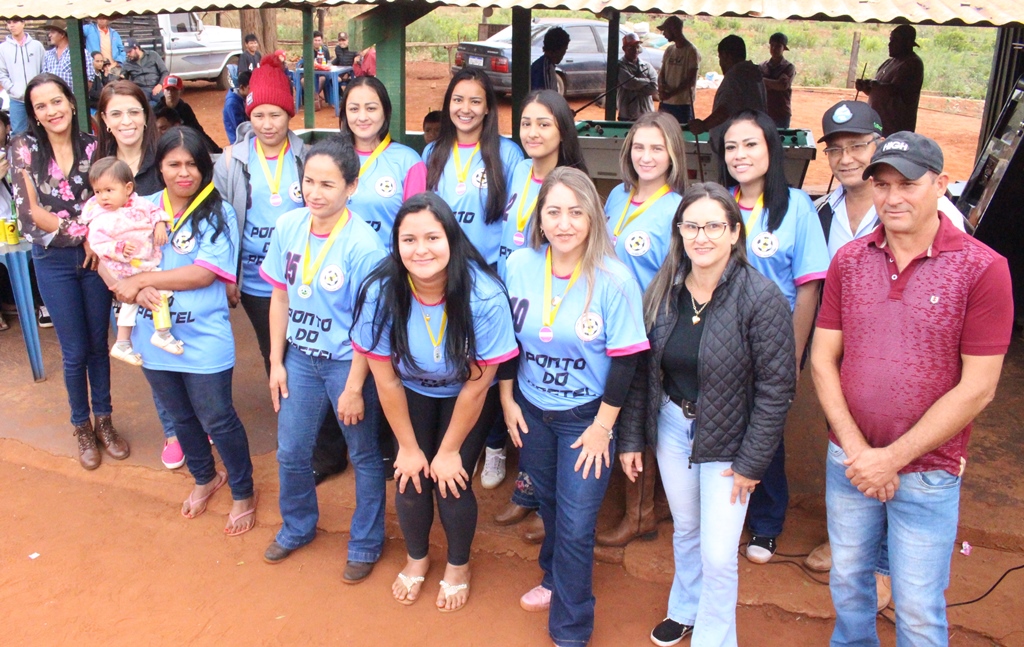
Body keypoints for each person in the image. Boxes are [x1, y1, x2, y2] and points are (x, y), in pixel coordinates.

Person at [811, 132, 1013, 646]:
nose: (893, 197)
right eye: (882, 184)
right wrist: (859, 451)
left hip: (929, 471)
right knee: (849, 584)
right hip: (850, 461)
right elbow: (822, 359)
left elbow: (979, 389)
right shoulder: (850, 260)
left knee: (919, 605)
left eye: (909, 183)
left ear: (941, 184)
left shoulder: (984, 268)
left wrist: (891, 458)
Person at [803, 100, 969, 610]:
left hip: (913, 358)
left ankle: (885, 567)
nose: (847, 158)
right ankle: (858, 546)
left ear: (879, 147)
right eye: (837, 149)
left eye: (858, 146)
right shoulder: (822, 212)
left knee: (906, 447)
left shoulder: (942, 218)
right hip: (847, 353)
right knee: (852, 444)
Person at [619, 183, 796, 647]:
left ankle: (715, 638)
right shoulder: (665, 289)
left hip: (731, 438)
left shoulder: (761, 297)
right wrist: (634, 438)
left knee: (720, 553)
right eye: (691, 225)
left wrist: (752, 462)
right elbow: (643, 373)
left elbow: (778, 388)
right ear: (679, 231)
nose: (702, 236)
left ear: (735, 233)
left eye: (714, 226)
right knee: (688, 528)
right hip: (674, 428)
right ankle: (684, 608)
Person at [503, 167, 649, 646]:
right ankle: (551, 578)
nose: (564, 223)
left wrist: (604, 427)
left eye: (575, 212)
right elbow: (507, 342)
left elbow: (627, 361)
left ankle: (571, 628)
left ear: (593, 217)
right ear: (539, 218)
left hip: (586, 418)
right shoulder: (521, 265)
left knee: (576, 522)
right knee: (547, 504)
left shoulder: (614, 277)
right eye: (553, 212)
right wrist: (507, 399)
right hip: (533, 409)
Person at [353, 192, 518, 610]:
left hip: (464, 394)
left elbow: (478, 385)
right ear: (396, 244)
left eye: (432, 237)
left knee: (451, 480)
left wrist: (447, 452)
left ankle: (458, 565)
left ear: (452, 239)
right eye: (409, 240)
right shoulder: (380, 290)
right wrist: (409, 449)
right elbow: (385, 380)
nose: (421, 249)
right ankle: (417, 558)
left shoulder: (484, 295)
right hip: (410, 390)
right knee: (409, 477)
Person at [112, 126, 257, 536]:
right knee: (179, 415)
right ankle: (204, 477)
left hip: (204, 337)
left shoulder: (218, 210)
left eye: (193, 163)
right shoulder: (138, 208)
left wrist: (144, 281)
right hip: (151, 334)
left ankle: (244, 491)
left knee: (217, 416)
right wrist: (125, 282)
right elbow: (104, 250)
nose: (184, 172)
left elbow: (202, 273)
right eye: (174, 163)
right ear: (158, 166)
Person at [214, 53, 350, 484]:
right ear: (248, 113)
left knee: (315, 356)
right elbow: (222, 223)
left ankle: (329, 447)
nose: (267, 123)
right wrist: (230, 277)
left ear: (288, 113)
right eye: (258, 114)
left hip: (307, 280)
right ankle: (301, 439)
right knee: (279, 358)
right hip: (256, 284)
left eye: (275, 113)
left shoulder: (305, 156)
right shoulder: (230, 160)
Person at [260, 137, 387, 581]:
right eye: (309, 181)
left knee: (364, 454)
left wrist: (354, 388)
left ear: (351, 187)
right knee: (292, 450)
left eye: (328, 184)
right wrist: (277, 361)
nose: (315, 192)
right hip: (299, 360)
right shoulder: (288, 226)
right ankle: (297, 526)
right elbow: (280, 295)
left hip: (346, 365)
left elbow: (371, 327)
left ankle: (367, 543)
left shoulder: (364, 245)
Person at [717, 110, 829, 564]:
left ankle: (766, 523)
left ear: (771, 150)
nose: (740, 155)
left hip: (774, 342)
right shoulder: (718, 202)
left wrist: (794, 356)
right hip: (721, 339)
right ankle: (726, 515)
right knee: (722, 425)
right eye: (731, 147)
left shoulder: (797, 205)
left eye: (750, 145)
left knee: (766, 431)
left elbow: (808, 289)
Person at [10, 73, 130, 470]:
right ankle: (81, 425)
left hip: (97, 259)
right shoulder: (23, 147)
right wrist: (84, 236)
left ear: (71, 103)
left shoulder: (94, 144)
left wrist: (94, 240)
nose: (51, 110)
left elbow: (109, 200)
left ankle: (105, 421)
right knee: (74, 349)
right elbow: (29, 215)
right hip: (56, 261)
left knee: (98, 343)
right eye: (41, 106)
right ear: (34, 115)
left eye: (56, 101)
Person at [493, 89, 588, 537]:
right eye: (527, 123)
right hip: (513, 293)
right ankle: (527, 491)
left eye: (544, 123)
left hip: (554, 302)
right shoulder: (517, 171)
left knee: (540, 400)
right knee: (522, 397)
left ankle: (540, 504)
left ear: (562, 130)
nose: (533, 132)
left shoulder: (571, 182)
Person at [597, 111, 687, 551]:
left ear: (673, 156)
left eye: (657, 148)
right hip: (609, 325)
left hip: (651, 328)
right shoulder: (617, 195)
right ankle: (645, 505)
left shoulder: (677, 209)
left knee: (640, 418)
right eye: (639, 147)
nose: (647, 156)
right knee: (621, 416)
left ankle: (641, 514)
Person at [95, 80, 181, 468]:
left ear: (147, 117)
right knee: (152, 360)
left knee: (182, 348)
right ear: (105, 121)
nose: (126, 120)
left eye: (134, 111)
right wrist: (122, 288)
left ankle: (198, 422)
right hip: (127, 284)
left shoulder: (163, 159)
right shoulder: (99, 170)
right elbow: (91, 237)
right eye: (116, 113)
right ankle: (174, 431)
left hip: (169, 274)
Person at [81, 157, 180, 367]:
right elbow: (98, 245)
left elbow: (155, 212)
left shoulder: (139, 203)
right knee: (156, 293)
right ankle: (161, 333)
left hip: (144, 262)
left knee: (135, 302)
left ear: (127, 188)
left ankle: (123, 342)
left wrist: (160, 224)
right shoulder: (100, 217)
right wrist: (118, 249)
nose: (103, 197)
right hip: (124, 267)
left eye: (109, 190)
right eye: (98, 192)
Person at [424, 68, 523, 267]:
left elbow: (516, 220)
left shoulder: (509, 154)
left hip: (489, 269)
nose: (465, 109)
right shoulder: (431, 152)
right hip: (443, 270)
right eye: (458, 100)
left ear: (487, 108)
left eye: (475, 102)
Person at [338, 76, 427, 245]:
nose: (362, 117)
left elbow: (416, 227)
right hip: (335, 268)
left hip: (388, 267)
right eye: (354, 109)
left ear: (385, 112)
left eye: (371, 108)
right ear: (344, 113)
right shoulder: (331, 159)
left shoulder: (408, 162)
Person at [689, 36, 766, 147]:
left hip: (735, 144)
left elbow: (725, 110)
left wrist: (703, 125)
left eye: (720, 58)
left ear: (726, 56)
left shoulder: (735, 76)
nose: (720, 63)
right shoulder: (752, 73)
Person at [856, 25, 923, 136]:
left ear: (907, 43)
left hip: (895, 129)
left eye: (895, 40)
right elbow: (878, 92)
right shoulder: (888, 63)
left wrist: (873, 84)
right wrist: (865, 87)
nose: (890, 44)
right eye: (890, 40)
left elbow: (895, 91)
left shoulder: (912, 64)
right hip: (879, 125)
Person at [0, 18, 46, 135]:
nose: (11, 26)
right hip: (16, 100)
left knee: (42, 130)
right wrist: (13, 90)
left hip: (38, 97)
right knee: (19, 133)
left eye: (15, 22)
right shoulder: (3, 48)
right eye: (9, 23)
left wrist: (39, 88)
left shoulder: (37, 46)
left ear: (23, 23)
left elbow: (44, 68)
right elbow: (2, 73)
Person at [155, 76, 220, 153]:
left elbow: (198, 132)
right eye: (167, 89)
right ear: (163, 90)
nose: (170, 93)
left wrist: (217, 151)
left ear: (181, 91)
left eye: (174, 90)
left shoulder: (185, 109)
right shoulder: (156, 111)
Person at [656, 16, 700, 125]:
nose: (664, 34)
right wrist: (661, 88)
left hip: (682, 105)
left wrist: (670, 93)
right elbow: (661, 74)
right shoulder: (669, 50)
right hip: (665, 103)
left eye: (665, 30)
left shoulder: (691, 51)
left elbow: (690, 81)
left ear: (673, 29)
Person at [41, 19, 94, 94]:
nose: (49, 35)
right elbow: (44, 78)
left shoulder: (80, 53)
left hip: (73, 101)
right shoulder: (48, 55)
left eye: (53, 32)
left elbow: (89, 79)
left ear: (62, 34)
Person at [617, 33, 658, 122]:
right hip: (627, 115)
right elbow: (630, 83)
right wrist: (647, 81)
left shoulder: (647, 66)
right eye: (631, 47)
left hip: (647, 114)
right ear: (624, 49)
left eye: (637, 46)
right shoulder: (620, 65)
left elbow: (655, 88)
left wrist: (636, 85)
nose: (635, 49)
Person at [759, 33, 796, 129]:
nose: (774, 48)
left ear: (784, 48)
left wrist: (762, 80)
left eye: (778, 46)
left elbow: (782, 86)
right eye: (772, 45)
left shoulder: (789, 67)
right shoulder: (762, 66)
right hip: (764, 112)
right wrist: (774, 83)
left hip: (781, 113)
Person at [122, 38, 168, 105]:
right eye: (126, 52)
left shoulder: (153, 55)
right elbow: (123, 78)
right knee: (146, 105)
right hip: (141, 89)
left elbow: (165, 72)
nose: (127, 54)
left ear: (136, 48)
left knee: (165, 102)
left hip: (156, 85)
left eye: (129, 51)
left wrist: (160, 85)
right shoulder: (127, 63)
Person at [531, 28, 570, 92]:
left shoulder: (544, 65)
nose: (564, 53)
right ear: (557, 50)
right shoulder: (545, 69)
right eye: (564, 50)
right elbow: (546, 96)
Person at [223, 69, 251, 145]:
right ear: (242, 88)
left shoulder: (244, 98)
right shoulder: (232, 104)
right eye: (250, 88)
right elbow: (240, 128)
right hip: (238, 142)